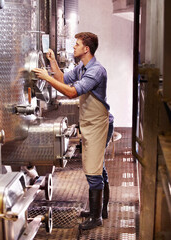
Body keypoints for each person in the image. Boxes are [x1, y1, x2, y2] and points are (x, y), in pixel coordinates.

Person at [32, 32, 114, 230]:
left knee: (92, 171)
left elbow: (71, 92)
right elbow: (63, 78)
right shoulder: (82, 67)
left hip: (99, 124)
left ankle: (96, 218)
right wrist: (51, 62)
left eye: (77, 44)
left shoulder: (96, 71)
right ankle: (100, 210)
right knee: (97, 167)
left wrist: (45, 78)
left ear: (86, 49)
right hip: (90, 123)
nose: (73, 47)